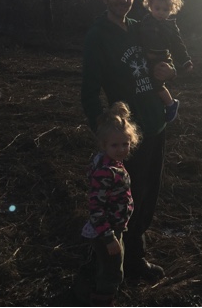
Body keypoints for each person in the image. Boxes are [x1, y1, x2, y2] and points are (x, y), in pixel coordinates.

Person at [81, 0, 176, 283]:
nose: (123, 0)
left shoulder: (141, 27)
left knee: (148, 193)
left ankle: (135, 253)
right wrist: (103, 129)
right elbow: (89, 90)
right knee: (125, 197)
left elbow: (165, 54)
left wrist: (169, 69)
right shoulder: (98, 36)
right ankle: (122, 260)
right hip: (128, 132)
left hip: (155, 121)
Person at [80, 102, 140, 306]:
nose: (121, 149)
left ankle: (97, 285)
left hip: (114, 227)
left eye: (125, 144)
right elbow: (96, 208)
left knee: (107, 263)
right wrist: (108, 238)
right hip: (107, 230)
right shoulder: (106, 172)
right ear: (103, 145)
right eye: (115, 145)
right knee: (113, 270)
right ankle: (103, 299)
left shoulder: (110, 163)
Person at [140, 0, 193, 123]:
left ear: (172, 9)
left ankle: (171, 103)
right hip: (147, 58)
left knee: (156, 83)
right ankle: (158, 104)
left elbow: (177, 45)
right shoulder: (145, 22)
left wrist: (185, 61)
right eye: (157, 8)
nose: (161, 13)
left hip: (163, 58)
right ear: (150, 6)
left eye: (165, 10)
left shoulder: (170, 26)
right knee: (146, 82)